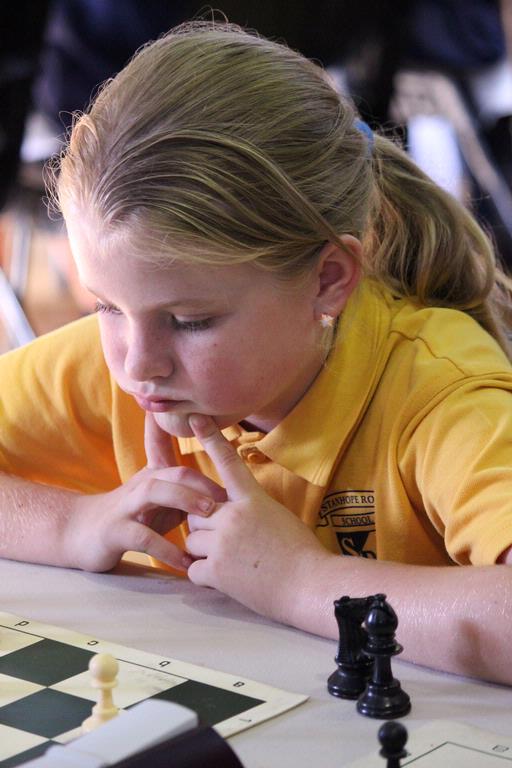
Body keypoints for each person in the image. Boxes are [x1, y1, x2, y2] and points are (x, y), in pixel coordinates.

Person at [1, 20, 512, 686]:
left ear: (328, 280)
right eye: (104, 307)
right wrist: (74, 523)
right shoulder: (121, 361)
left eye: (190, 321)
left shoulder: (439, 391)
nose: (135, 364)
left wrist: (305, 582)